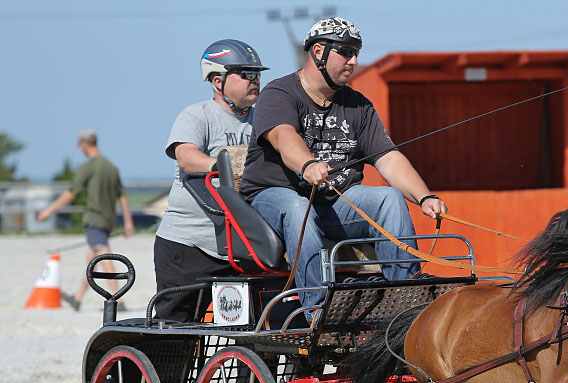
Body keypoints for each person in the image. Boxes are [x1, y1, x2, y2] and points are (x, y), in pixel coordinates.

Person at [239, 16, 447, 310]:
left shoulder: (358, 105)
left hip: (333, 203)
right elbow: (284, 137)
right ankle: (317, 309)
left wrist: (424, 196)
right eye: (346, 52)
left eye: (357, 53)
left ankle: (405, 301)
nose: (354, 61)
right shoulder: (279, 92)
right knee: (299, 208)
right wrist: (308, 164)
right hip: (275, 200)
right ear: (319, 51)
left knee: (389, 198)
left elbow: (388, 157)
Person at [153, 39, 269, 322]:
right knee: (176, 328)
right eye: (246, 74)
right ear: (218, 81)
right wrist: (222, 165)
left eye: (257, 74)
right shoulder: (198, 115)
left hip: (238, 248)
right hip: (188, 245)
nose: (254, 81)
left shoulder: (263, 121)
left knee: (246, 328)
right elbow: (186, 156)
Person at [37, 130, 134, 311]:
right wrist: (128, 223)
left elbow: (71, 193)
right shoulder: (111, 167)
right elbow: (123, 196)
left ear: (83, 145)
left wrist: (48, 211)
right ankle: (78, 298)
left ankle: (118, 300)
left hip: (94, 219)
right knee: (92, 259)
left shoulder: (88, 167)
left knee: (103, 254)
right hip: (108, 220)